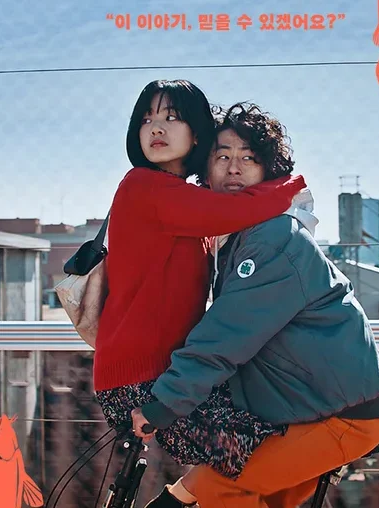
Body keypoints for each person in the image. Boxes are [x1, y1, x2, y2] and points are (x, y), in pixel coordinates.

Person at [133, 103, 379, 508]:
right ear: (206, 169)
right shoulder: (238, 237)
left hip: (341, 416)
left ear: (268, 170)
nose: (234, 168)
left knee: (224, 484)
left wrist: (166, 401)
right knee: (231, 489)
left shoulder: (272, 237)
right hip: (309, 407)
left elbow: (228, 333)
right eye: (222, 157)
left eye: (249, 158)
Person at [93, 81, 307, 485]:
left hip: (169, 374)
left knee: (267, 449)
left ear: (196, 134)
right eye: (147, 119)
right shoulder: (144, 186)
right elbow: (240, 208)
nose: (156, 128)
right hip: (143, 383)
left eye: (171, 117)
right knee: (271, 453)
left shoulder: (183, 197)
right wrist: (293, 185)